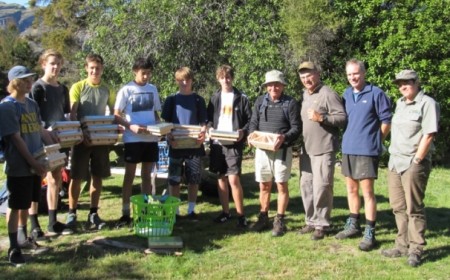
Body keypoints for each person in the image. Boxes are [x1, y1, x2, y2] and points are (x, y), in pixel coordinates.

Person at [381, 70, 439, 267]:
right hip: (395, 162)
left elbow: (429, 134)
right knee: (398, 207)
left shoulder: (427, 103)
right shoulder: (400, 103)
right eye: (399, 83)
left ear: (416, 82)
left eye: (406, 82)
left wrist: (417, 160)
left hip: (413, 163)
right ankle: (401, 245)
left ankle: (416, 249)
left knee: (414, 207)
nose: (402, 86)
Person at [0, 66, 56, 266]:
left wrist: (55, 150)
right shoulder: (7, 107)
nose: (29, 82)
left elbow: (40, 130)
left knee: (27, 203)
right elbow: (16, 139)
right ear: (15, 82)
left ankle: (23, 238)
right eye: (25, 80)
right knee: (15, 206)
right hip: (19, 165)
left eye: (30, 78)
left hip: (36, 164)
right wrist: (32, 162)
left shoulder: (31, 104)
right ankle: (13, 247)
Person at [335, 59, 392, 251]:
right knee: (351, 190)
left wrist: (377, 141)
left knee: (367, 192)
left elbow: (386, 121)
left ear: (364, 73)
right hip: (348, 148)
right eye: (349, 74)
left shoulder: (376, 93)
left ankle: (370, 231)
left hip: (367, 150)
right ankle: (353, 224)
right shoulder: (346, 94)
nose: (353, 77)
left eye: (356, 73)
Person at [297, 62, 347, 240]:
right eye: (303, 77)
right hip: (307, 150)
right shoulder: (305, 94)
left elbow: (342, 118)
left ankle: (322, 224)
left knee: (322, 188)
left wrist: (322, 118)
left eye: (309, 75)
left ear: (317, 74)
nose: (306, 80)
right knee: (306, 187)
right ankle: (310, 221)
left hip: (324, 149)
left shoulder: (328, 93)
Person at [248, 70, 300, 237]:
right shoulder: (260, 102)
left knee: (281, 185)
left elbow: (297, 128)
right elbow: (253, 123)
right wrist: (251, 134)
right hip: (262, 150)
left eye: (277, 84)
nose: (273, 87)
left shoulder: (290, 103)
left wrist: (284, 137)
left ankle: (279, 220)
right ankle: (263, 217)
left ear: (282, 85)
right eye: (270, 85)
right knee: (264, 185)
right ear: (266, 87)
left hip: (282, 150)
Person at [66, 54, 115, 230]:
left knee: (98, 176)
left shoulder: (107, 89)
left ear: (102, 68)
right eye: (92, 68)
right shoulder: (78, 87)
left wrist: (113, 131)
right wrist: (80, 133)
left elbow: (114, 114)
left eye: (98, 68)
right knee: (77, 176)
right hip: (81, 139)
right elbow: (73, 114)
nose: (95, 71)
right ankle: (72, 213)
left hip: (101, 140)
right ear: (86, 68)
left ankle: (93, 213)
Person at [113, 57, 161, 228]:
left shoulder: (153, 89)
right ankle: (126, 213)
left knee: (147, 175)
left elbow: (155, 113)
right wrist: (130, 126)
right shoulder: (126, 90)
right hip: (133, 139)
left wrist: (160, 128)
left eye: (148, 73)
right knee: (130, 176)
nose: (146, 76)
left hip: (151, 138)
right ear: (135, 71)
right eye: (143, 73)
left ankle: (145, 210)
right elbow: (116, 114)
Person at [29, 49, 73, 236]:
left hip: (59, 140)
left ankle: (53, 222)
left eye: (58, 64)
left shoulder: (63, 89)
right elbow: (31, 115)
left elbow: (66, 114)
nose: (55, 67)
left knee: (56, 178)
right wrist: (44, 132)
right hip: (39, 140)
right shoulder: (37, 88)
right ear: (43, 64)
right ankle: (34, 225)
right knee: (36, 180)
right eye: (51, 63)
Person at [207, 65, 252, 228]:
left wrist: (243, 131)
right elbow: (209, 119)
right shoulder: (214, 98)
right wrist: (209, 128)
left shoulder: (242, 97)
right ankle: (226, 213)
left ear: (232, 78)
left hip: (233, 144)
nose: (225, 80)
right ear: (218, 79)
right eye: (222, 77)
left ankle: (241, 215)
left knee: (233, 179)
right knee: (221, 178)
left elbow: (250, 121)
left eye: (228, 77)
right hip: (217, 144)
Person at [161, 67, 207, 220]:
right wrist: (169, 137)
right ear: (177, 81)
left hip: (194, 146)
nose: (185, 82)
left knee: (193, 179)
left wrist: (203, 134)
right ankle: (175, 211)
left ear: (192, 80)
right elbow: (165, 124)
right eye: (181, 80)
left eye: (187, 79)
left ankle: (191, 210)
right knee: (174, 180)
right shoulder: (171, 100)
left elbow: (203, 122)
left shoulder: (199, 100)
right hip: (176, 146)